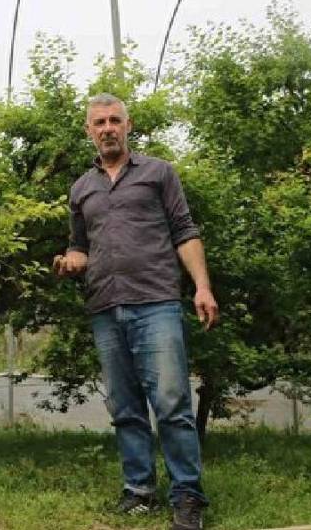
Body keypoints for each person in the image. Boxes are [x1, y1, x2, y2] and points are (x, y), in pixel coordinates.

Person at [53, 93, 219, 530]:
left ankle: (187, 496)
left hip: (156, 302)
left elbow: (185, 230)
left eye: (114, 120)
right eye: (98, 122)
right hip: (104, 306)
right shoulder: (81, 188)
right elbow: (80, 246)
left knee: (171, 403)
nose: (107, 128)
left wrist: (202, 286)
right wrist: (71, 261)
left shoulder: (158, 172)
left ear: (128, 126)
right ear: (88, 131)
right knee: (125, 407)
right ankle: (139, 491)